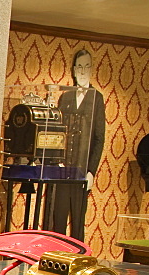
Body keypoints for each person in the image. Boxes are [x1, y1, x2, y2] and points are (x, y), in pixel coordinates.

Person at [48, 49, 106, 240]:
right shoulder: (65, 96)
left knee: (78, 222)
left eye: (87, 66)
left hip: (82, 171)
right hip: (63, 171)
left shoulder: (97, 98)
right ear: (74, 70)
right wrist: (57, 162)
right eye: (79, 66)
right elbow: (57, 132)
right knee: (57, 221)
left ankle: (78, 263)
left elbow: (99, 138)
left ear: (91, 69)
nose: (83, 71)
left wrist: (91, 171)